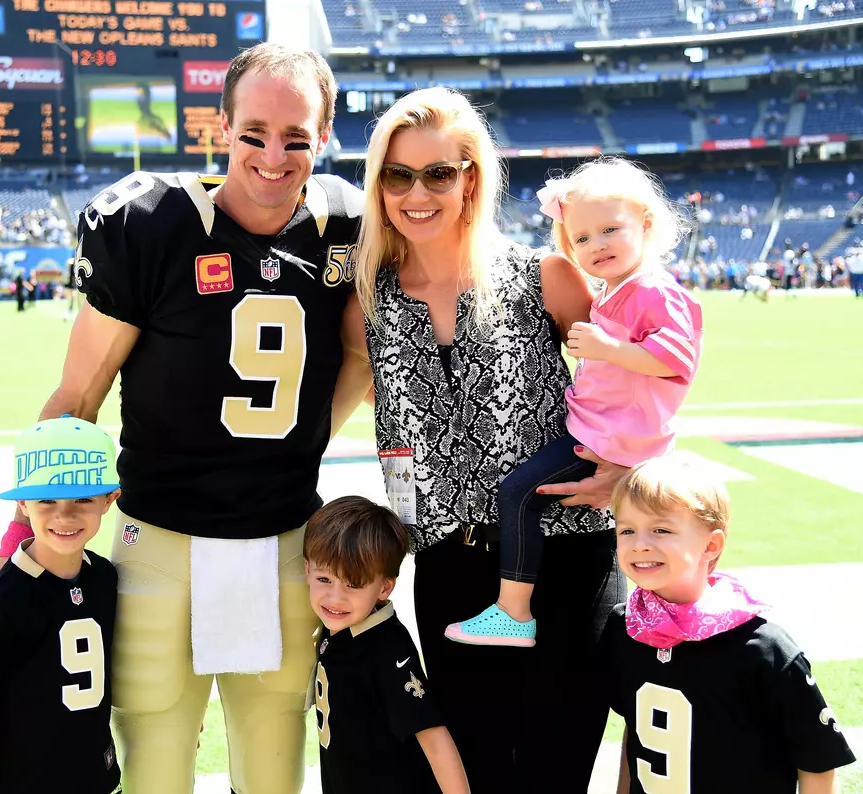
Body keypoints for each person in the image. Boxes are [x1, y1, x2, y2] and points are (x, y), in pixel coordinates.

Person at [0, 43, 366, 794]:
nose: (274, 154)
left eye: (297, 138)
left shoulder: (344, 225)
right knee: (155, 761)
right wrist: (17, 545)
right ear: (221, 127)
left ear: (326, 138)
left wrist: (299, 447)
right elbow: (77, 400)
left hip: (282, 540)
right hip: (161, 541)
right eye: (254, 132)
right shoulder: (151, 223)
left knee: (274, 759)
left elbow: (358, 360)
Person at [340, 86, 626, 793]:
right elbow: (350, 411)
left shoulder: (545, 279)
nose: (418, 193)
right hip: (450, 571)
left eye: (438, 172)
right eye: (398, 175)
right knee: (475, 775)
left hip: (566, 556)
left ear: (470, 178)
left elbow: (636, 388)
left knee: (554, 771)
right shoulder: (366, 303)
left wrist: (624, 467)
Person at [446, 158, 700, 648]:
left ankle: (513, 610)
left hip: (608, 441)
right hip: (599, 432)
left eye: (610, 229)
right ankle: (661, 619)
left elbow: (677, 359)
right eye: (581, 239)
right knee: (641, 530)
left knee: (518, 494)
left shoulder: (652, 290)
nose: (596, 245)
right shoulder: (617, 291)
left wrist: (607, 349)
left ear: (646, 224)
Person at [599, 455, 856, 793]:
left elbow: (818, 764)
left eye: (661, 529)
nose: (640, 543)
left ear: (711, 545)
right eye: (627, 530)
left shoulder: (763, 649)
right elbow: (638, 731)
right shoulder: (626, 627)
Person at [0, 415, 122, 794]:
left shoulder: (105, 578)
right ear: (23, 505)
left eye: (82, 498)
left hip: (97, 781)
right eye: (46, 499)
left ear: (110, 499)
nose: (64, 514)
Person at [303, 496, 469, 794]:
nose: (335, 598)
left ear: (384, 587)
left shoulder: (388, 650)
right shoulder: (334, 627)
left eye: (353, 584)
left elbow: (433, 736)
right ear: (307, 571)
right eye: (324, 579)